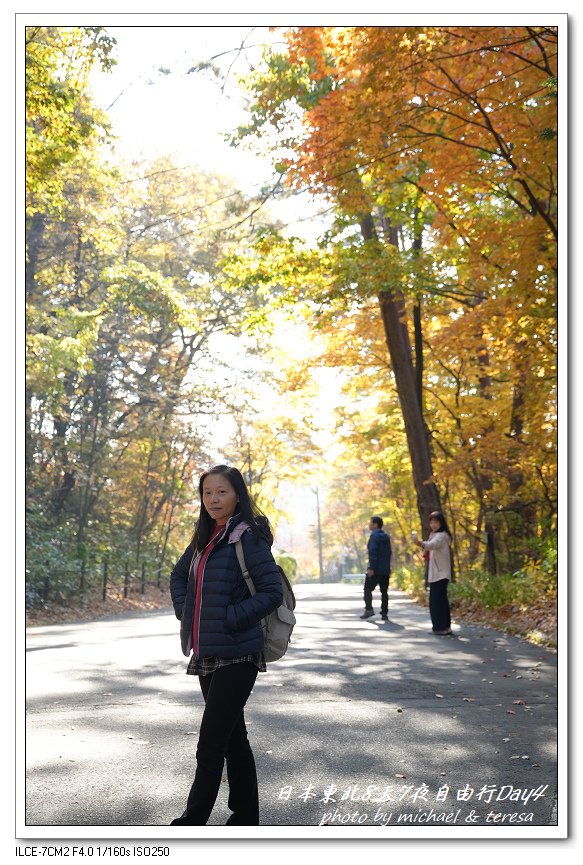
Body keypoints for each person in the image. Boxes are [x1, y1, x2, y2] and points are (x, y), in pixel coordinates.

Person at [169, 464, 283, 826]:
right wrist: (187, 613)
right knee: (234, 739)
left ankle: (191, 824)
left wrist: (230, 618)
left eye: (221, 492)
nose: (214, 499)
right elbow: (177, 576)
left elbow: (271, 592)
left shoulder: (246, 535)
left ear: (237, 495)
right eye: (207, 493)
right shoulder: (205, 536)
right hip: (208, 653)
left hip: (239, 652)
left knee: (210, 743)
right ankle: (246, 818)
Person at [414, 511, 453, 635]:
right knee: (441, 600)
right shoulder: (437, 535)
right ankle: (445, 626)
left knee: (436, 601)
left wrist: (419, 543)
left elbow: (432, 545)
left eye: (436, 522)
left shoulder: (441, 536)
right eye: (431, 522)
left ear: (441, 522)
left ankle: (439, 627)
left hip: (439, 574)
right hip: (439, 573)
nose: (433, 525)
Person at [361, 515, 392, 620]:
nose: (369, 524)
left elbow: (373, 553)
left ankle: (369, 609)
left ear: (375, 524)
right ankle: (384, 612)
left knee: (367, 589)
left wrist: (371, 567)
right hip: (385, 569)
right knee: (384, 591)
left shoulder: (374, 536)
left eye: (370, 523)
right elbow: (389, 553)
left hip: (375, 569)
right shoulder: (386, 537)